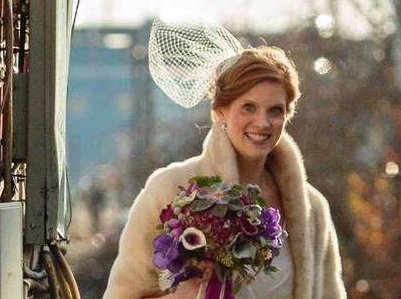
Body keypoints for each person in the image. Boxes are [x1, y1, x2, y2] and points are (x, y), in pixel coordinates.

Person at [103, 44, 346, 299]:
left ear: (288, 114)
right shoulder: (168, 189)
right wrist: (190, 292)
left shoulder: (313, 208)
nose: (262, 122)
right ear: (221, 111)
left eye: (275, 110)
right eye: (248, 107)